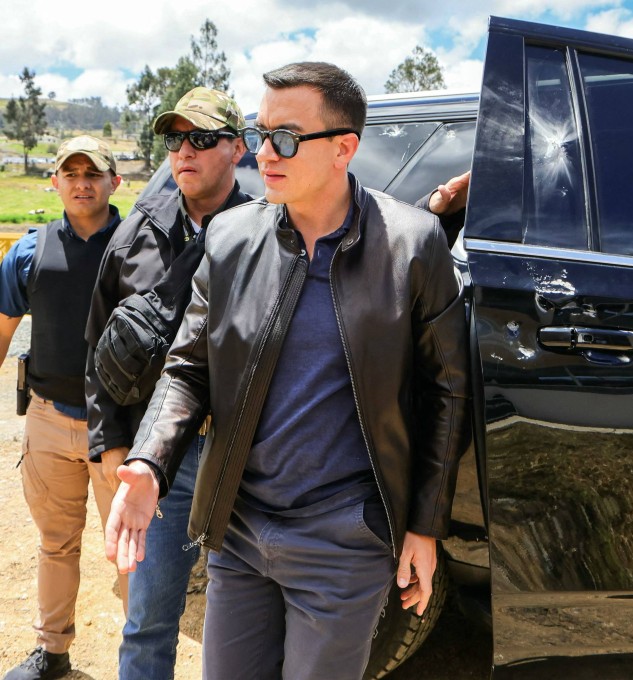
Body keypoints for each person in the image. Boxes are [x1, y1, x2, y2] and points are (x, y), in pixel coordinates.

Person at [105, 62, 471, 679]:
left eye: (287, 138)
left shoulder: (413, 244)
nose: (263, 152)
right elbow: (190, 367)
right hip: (240, 532)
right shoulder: (229, 238)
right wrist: (148, 462)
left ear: (344, 149)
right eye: (260, 131)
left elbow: (446, 392)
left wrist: (423, 526)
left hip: (345, 540)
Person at [83, 86, 250, 680]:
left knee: (246, 625)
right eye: (175, 139)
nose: (184, 150)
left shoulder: (272, 233)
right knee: (150, 619)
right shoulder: (134, 238)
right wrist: (109, 443)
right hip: (162, 458)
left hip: (248, 456)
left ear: (236, 148)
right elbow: (98, 348)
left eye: (201, 138)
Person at [0, 136, 129, 680]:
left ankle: (141, 660)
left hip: (121, 428)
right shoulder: (28, 252)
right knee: (56, 544)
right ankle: (52, 651)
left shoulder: (139, 247)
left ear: (113, 182)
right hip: (50, 420)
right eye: (70, 173)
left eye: (93, 173)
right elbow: (3, 332)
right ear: (55, 181)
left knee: (133, 554)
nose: (81, 182)